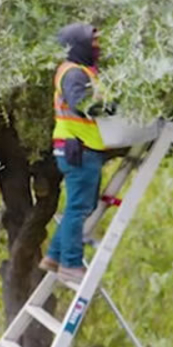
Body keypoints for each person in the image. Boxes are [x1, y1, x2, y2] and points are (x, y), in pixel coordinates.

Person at [41, 22, 112, 287]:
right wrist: (110, 108)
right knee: (79, 208)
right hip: (79, 147)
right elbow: (79, 102)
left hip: (79, 147)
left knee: (81, 206)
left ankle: (55, 255)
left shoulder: (81, 70)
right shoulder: (73, 74)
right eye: (93, 41)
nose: (98, 45)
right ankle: (70, 265)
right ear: (79, 44)